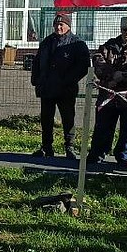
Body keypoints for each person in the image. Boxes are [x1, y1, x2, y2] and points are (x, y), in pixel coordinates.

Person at [88, 16, 127, 166]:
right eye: (125, 30)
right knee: (103, 126)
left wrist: (121, 76)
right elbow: (98, 63)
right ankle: (97, 153)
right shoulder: (107, 46)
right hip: (107, 96)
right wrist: (112, 77)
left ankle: (124, 156)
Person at [30, 13, 90, 158]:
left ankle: (69, 147)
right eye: (56, 24)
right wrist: (36, 79)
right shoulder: (46, 42)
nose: (58, 27)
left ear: (68, 26)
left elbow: (83, 66)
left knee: (68, 119)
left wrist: (68, 80)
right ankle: (46, 147)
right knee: (46, 119)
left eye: (61, 24)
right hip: (47, 88)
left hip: (66, 90)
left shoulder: (77, 44)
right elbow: (37, 62)